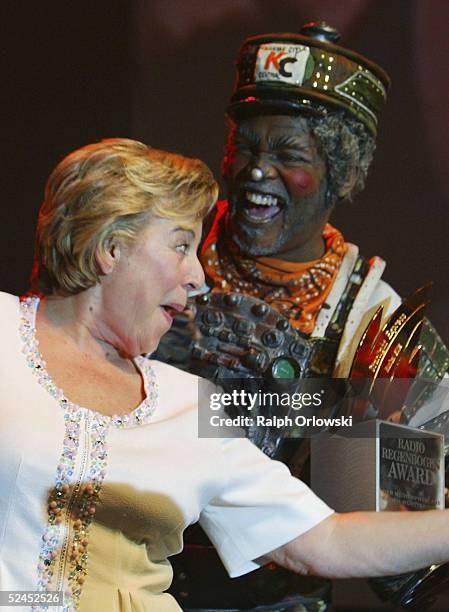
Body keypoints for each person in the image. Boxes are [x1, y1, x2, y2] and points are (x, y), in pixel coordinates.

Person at [1, 138, 449, 612]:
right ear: (112, 246)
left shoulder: (189, 404)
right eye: (180, 246)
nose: (198, 277)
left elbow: (324, 540)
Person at [155, 22, 449, 611]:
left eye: (289, 155)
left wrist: (347, 446)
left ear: (338, 175)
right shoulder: (160, 250)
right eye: (246, 149)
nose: (257, 172)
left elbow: (401, 562)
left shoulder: (378, 322)